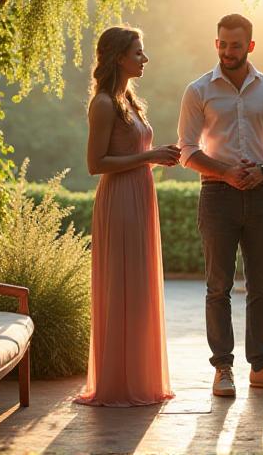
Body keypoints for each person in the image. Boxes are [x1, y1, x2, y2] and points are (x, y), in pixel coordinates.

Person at [177, 13, 263, 398]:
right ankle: (223, 369)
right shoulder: (198, 90)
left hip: (262, 195)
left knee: (262, 287)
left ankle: (261, 367)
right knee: (218, 287)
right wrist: (227, 172)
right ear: (216, 44)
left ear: (250, 46)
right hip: (216, 195)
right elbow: (187, 150)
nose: (228, 51)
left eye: (236, 45)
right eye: (222, 44)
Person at [75, 26, 180, 407]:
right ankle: (118, 382)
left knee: (139, 288)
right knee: (123, 286)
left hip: (140, 195)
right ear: (119, 56)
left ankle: (141, 375)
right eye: (138, 52)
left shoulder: (129, 100)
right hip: (119, 200)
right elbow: (94, 164)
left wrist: (161, 154)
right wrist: (150, 157)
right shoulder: (103, 103)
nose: (144, 59)